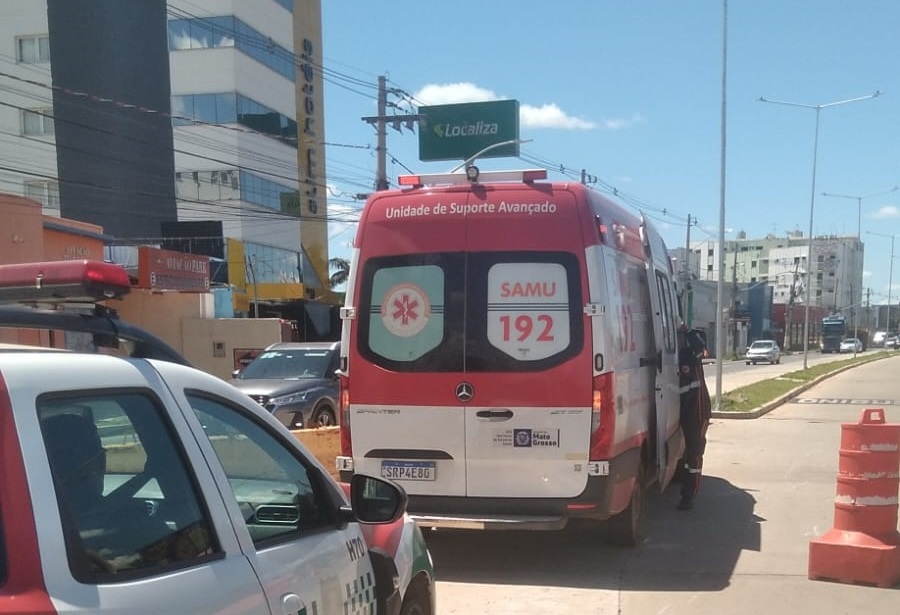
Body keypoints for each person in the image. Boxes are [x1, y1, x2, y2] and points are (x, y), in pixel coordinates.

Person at [676, 326, 711, 511]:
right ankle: (684, 485)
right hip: (683, 412)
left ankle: (688, 496)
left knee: (694, 455)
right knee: (686, 454)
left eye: (681, 337)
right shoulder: (676, 357)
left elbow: (701, 344)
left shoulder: (692, 354)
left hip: (699, 412)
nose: (679, 340)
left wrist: (687, 330)